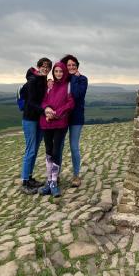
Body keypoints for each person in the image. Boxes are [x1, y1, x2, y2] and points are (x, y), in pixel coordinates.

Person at [38, 62, 75, 197]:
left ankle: (54, 182)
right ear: (53, 72)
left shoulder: (68, 86)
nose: (58, 74)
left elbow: (70, 103)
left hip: (60, 123)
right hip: (46, 123)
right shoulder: (50, 85)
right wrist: (47, 109)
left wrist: (56, 113)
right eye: (56, 71)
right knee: (48, 151)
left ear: (64, 72)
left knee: (56, 151)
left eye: (61, 71)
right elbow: (43, 101)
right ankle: (49, 181)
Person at [21, 57, 52, 195]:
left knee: (34, 149)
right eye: (43, 66)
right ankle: (25, 182)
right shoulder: (33, 80)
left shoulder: (42, 79)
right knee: (30, 150)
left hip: (38, 119)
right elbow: (31, 102)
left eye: (48, 67)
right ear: (38, 66)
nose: (45, 69)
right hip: (30, 119)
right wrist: (44, 110)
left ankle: (30, 177)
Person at [59, 54, 88, 188]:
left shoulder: (82, 79)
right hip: (62, 117)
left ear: (77, 67)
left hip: (76, 117)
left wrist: (74, 78)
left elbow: (76, 95)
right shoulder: (63, 80)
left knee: (74, 146)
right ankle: (55, 174)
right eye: (69, 65)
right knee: (58, 146)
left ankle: (76, 175)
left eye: (73, 65)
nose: (71, 67)